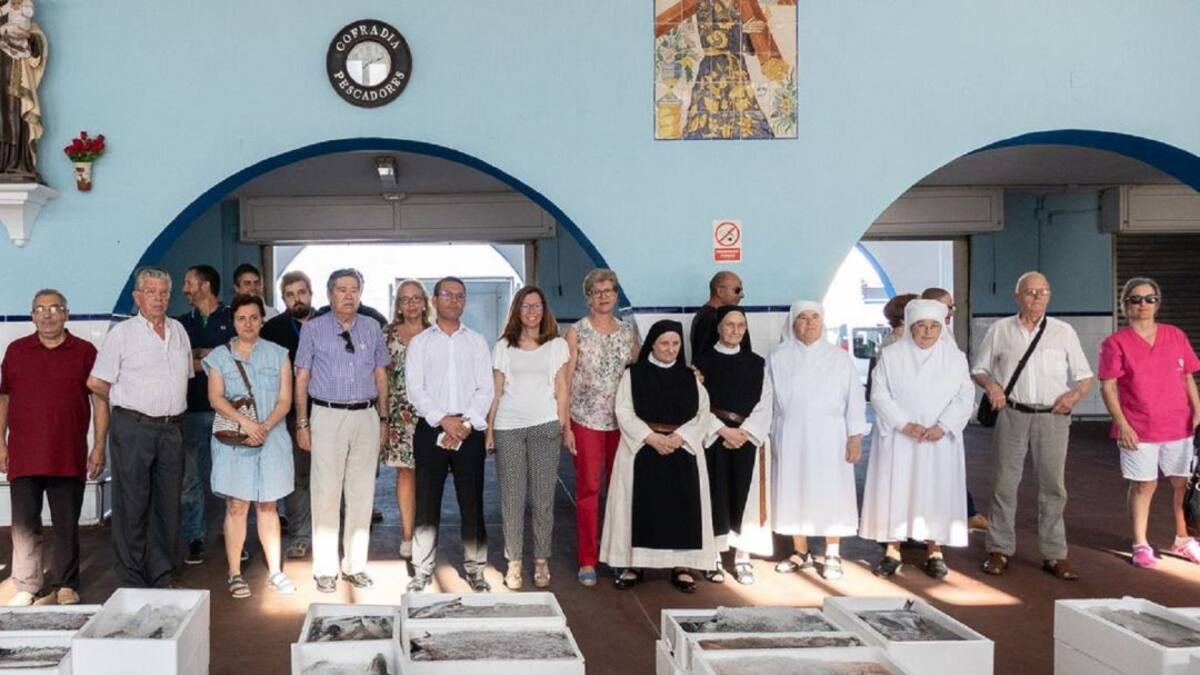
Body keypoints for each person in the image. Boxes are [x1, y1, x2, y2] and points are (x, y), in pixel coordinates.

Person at [972, 271, 1094, 580]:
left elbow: (1085, 376)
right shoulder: (1001, 330)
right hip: (1013, 413)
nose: (1037, 297)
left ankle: (1054, 554)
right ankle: (999, 548)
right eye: (1030, 292)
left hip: (1053, 416)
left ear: (1049, 296)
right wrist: (992, 386)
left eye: (1043, 292)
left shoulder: (1063, 331)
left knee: (1053, 487)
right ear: (1017, 296)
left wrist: (1074, 395)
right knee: (1004, 483)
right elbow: (979, 368)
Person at [88, 267, 192, 588]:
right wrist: (124, 399)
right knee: (132, 504)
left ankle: (161, 572)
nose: (158, 299)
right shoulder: (122, 334)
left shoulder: (178, 331)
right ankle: (133, 576)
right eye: (151, 292)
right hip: (134, 428)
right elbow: (96, 382)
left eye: (163, 293)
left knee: (167, 503)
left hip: (172, 429)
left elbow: (184, 376)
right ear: (137, 297)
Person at [0, 289, 106, 606]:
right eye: (40, 309)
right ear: (32, 315)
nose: (47, 314)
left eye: (54, 308)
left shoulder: (85, 352)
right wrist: (0, 443)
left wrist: (99, 446)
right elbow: (3, 399)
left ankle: (65, 583)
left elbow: (100, 401)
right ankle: (27, 584)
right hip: (24, 453)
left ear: (66, 314)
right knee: (24, 525)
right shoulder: (16, 351)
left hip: (68, 453)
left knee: (65, 524)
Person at [599, 320, 715, 593]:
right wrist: (651, 438)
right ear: (652, 343)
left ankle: (682, 565)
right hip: (643, 448)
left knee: (681, 508)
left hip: (680, 449)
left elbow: (703, 412)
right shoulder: (634, 375)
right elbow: (624, 411)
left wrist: (680, 438)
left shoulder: (690, 377)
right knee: (639, 506)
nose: (671, 349)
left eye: (676, 344)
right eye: (665, 343)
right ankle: (634, 564)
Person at [861, 299, 974, 579]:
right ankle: (892, 550)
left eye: (934, 326)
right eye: (921, 326)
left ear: (941, 328)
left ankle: (935, 550)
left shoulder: (955, 358)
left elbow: (965, 396)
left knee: (937, 491)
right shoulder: (891, 355)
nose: (927, 332)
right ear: (910, 327)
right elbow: (879, 394)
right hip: (901, 438)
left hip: (938, 440)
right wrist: (903, 423)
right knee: (896, 489)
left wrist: (943, 426)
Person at [293, 269, 389, 593]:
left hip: (366, 415)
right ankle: (325, 570)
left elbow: (381, 375)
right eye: (341, 289)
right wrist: (302, 422)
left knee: (362, 493)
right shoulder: (313, 329)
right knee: (326, 493)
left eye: (354, 289)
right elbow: (302, 377)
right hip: (326, 415)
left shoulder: (373, 327)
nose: (349, 295)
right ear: (329, 294)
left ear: (360, 293)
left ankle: (355, 566)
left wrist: (385, 419)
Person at [1098, 277, 1200, 568]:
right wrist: (1123, 424)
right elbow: (1107, 387)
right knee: (1144, 485)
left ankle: (1183, 540)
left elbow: (1187, 377)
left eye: (1149, 299)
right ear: (1125, 305)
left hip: (1178, 426)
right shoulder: (1115, 343)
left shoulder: (1175, 335)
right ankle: (1140, 543)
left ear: (1158, 303)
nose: (1143, 305)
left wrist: (1198, 413)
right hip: (1138, 428)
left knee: (1183, 483)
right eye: (1136, 299)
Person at [203, 294, 296, 597]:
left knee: (268, 505)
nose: (248, 323)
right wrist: (247, 425)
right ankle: (234, 572)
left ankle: (276, 572)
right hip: (234, 442)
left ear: (262, 320)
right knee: (237, 505)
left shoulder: (279, 354)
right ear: (233, 321)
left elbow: (285, 400)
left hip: (272, 439)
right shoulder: (219, 356)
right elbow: (215, 397)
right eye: (241, 318)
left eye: (254, 317)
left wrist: (264, 427)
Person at [405, 277, 494, 593]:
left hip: (468, 431)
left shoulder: (477, 341)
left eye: (460, 296)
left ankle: (476, 569)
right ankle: (422, 570)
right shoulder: (421, 343)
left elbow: (486, 388)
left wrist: (465, 423)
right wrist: (444, 420)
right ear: (434, 299)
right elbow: (415, 389)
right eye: (447, 294)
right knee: (427, 502)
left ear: (465, 302)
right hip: (432, 430)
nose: (454, 300)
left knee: (472, 501)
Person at [769, 301, 867, 581]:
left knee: (830, 492)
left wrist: (855, 437)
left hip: (830, 435)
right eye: (802, 318)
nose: (809, 323)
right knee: (794, 489)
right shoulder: (778, 356)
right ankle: (800, 551)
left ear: (823, 322)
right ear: (793, 323)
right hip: (789, 433)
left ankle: (832, 552)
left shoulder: (839, 358)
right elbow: (767, 399)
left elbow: (855, 401)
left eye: (815, 317)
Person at [486, 286, 570, 590]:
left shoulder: (557, 345)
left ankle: (541, 561)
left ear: (544, 310)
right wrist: (489, 431)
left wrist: (564, 426)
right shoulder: (503, 346)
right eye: (525, 306)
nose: (532, 312)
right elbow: (496, 391)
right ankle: (515, 562)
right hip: (509, 427)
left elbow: (562, 388)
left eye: (536, 306)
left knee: (543, 499)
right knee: (512, 498)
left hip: (545, 425)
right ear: (516, 311)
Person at [563, 269, 638, 586]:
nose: (604, 296)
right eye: (597, 291)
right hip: (586, 420)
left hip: (622, 422)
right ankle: (588, 559)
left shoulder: (628, 333)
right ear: (588, 297)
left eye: (609, 290)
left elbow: (640, 376)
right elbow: (564, 381)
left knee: (620, 491)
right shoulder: (576, 332)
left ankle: (620, 558)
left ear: (617, 294)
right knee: (589, 490)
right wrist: (565, 425)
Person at [693, 305, 773, 585]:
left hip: (748, 440)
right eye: (730, 325)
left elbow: (766, 403)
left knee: (747, 499)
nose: (736, 330)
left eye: (741, 325)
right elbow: (698, 404)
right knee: (715, 495)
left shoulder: (757, 363)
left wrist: (746, 432)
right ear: (718, 327)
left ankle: (742, 557)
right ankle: (713, 556)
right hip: (714, 438)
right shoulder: (701, 362)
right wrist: (722, 431)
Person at [176, 264, 234, 566]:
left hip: (227, 411)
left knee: (228, 478)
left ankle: (233, 537)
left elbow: (233, 358)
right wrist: (208, 356)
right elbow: (181, 363)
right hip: (190, 411)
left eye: (188, 282)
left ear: (205, 285)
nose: (184, 288)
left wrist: (202, 355)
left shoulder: (231, 318)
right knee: (190, 479)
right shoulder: (180, 324)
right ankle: (194, 538)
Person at [921, 287, 989, 532]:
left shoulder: (947, 338)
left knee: (949, 471)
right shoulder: (907, 343)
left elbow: (960, 385)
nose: (951, 312)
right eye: (947, 307)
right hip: (921, 424)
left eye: (952, 307)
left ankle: (964, 514)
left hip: (946, 422)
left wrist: (953, 417)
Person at [259, 270, 315, 560]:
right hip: (290, 414)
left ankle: (333, 535)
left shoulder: (327, 324)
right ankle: (301, 535)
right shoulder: (273, 330)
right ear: (283, 299)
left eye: (302, 292)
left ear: (311, 293)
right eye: (290, 295)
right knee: (297, 477)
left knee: (331, 476)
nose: (297, 299)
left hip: (328, 411)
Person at [382, 279, 430, 560]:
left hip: (431, 414)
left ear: (425, 302)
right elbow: (380, 377)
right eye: (404, 299)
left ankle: (426, 534)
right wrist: (384, 416)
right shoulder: (386, 334)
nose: (410, 304)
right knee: (405, 473)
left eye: (415, 298)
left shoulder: (436, 333)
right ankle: (408, 535)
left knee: (429, 474)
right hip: (399, 414)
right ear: (397, 305)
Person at [689, 271, 746, 360]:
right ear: (720, 291)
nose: (742, 295)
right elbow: (705, 359)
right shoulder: (710, 318)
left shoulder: (705, 314)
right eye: (737, 290)